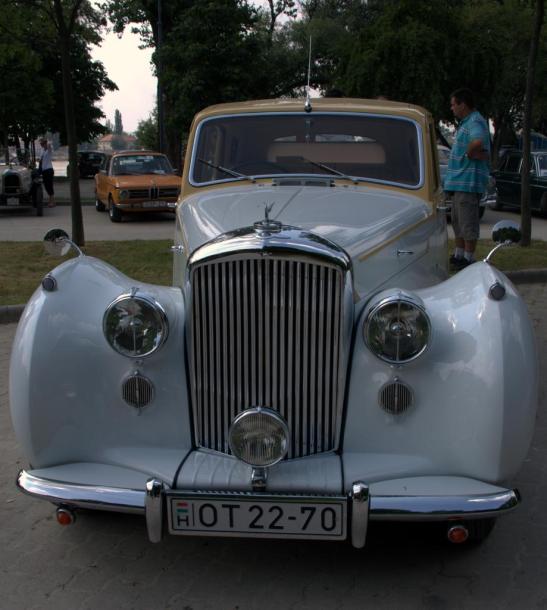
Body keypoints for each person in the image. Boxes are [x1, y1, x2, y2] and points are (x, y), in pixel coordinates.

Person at [444, 88, 490, 270]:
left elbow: (477, 141)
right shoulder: (466, 122)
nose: (452, 108)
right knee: (457, 221)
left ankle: (469, 260)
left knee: (467, 222)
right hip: (458, 183)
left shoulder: (475, 121)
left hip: (468, 184)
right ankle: (459, 254)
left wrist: (471, 154)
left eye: (453, 104)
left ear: (463, 104)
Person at [39, 138, 55, 207]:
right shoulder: (42, 151)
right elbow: (41, 160)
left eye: (42, 143)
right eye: (41, 144)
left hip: (49, 170)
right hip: (44, 171)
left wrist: (46, 142)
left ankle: (51, 202)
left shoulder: (49, 150)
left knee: (49, 185)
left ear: (45, 143)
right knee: (46, 186)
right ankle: (52, 200)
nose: (41, 145)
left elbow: (49, 146)